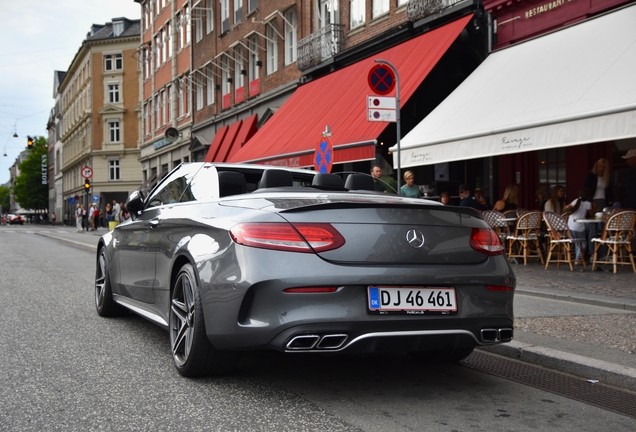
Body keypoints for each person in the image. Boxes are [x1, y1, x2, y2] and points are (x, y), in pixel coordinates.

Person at [565, 187, 597, 264]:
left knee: (577, 242)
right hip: (579, 226)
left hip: (570, 226)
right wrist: (595, 208)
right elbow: (591, 214)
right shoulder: (588, 204)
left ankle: (577, 257)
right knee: (582, 243)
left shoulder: (576, 200)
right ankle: (578, 258)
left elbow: (566, 207)